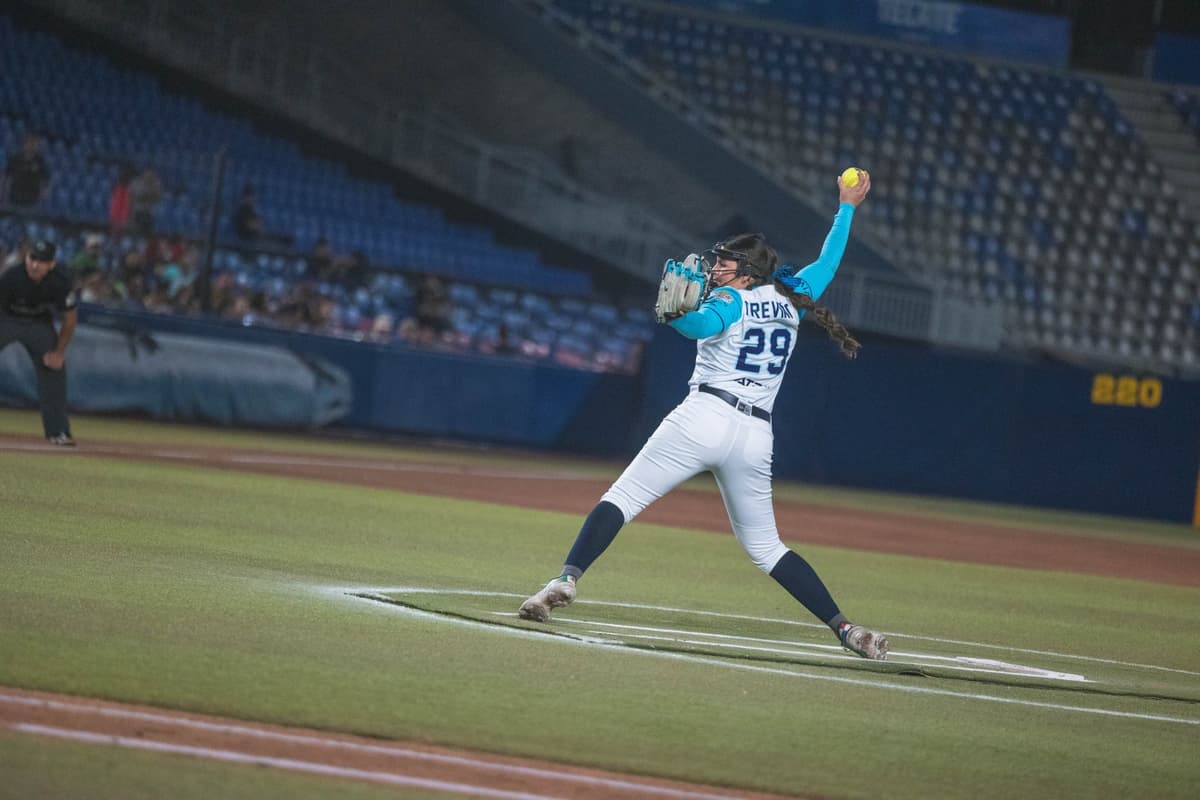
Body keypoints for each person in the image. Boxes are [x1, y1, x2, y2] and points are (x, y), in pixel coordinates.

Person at [517, 172, 889, 659]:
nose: (716, 268)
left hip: (705, 416)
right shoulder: (791, 300)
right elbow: (829, 261)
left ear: (747, 270)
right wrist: (847, 207)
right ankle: (847, 630)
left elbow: (701, 326)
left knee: (623, 497)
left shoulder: (731, 300)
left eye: (726, 262)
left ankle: (565, 580)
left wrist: (675, 316)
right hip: (756, 435)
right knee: (767, 549)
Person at [0, 239, 79, 445]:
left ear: (51, 264)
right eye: (32, 258)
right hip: (6, 319)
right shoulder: (11, 276)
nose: (35, 265)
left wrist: (58, 352)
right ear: (26, 257)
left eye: (41, 261)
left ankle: (58, 431)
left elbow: (70, 319)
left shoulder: (60, 281)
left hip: (38, 324)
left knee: (53, 369)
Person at [2, 134, 52, 210]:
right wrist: (3, 194)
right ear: (24, 144)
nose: (31, 146)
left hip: (32, 200)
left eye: (34, 144)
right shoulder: (15, 159)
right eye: (29, 143)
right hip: (15, 197)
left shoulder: (40, 162)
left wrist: (44, 193)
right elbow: (6, 177)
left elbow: (47, 180)